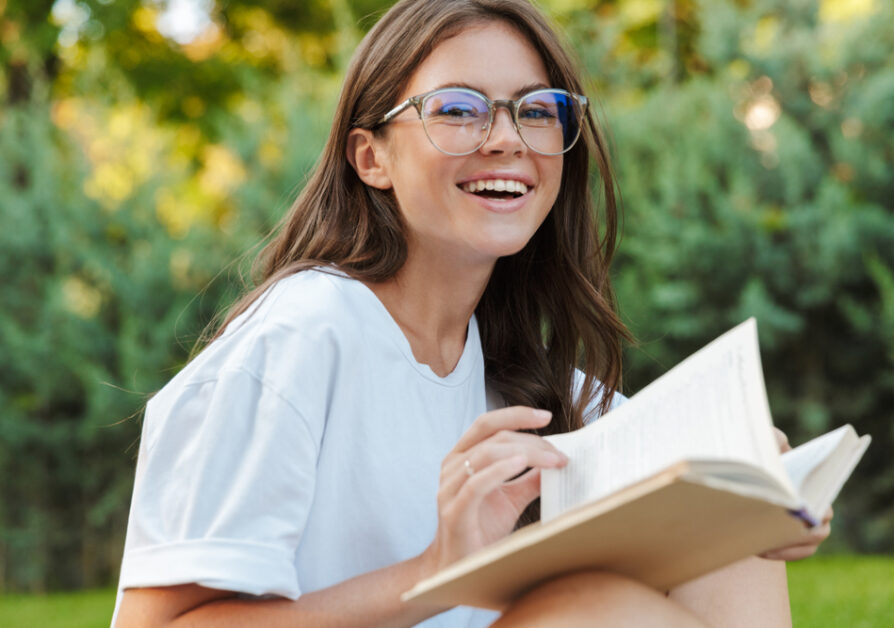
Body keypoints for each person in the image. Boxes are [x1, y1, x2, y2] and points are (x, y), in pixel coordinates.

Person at [111, 1, 831, 626]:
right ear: (371, 158)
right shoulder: (302, 334)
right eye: (458, 108)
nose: (507, 137)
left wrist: (765, 486)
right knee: (593, 610)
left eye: (537, 109)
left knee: (731, 539)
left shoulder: (518, 369)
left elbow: (688, 458)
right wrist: (436, 570)